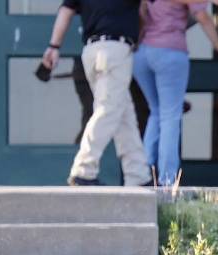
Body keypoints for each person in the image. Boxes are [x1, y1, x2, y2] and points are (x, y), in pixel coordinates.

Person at [42, 0, 151, 186]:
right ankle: (83, 170)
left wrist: (54, 46)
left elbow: (66, 11)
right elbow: (144, 11)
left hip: (91, 51)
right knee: (108, 110)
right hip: (116, 49)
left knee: (124, 115)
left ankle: (138, 175)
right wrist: (137, 36)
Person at [133, 0, 218, 187]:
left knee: (156, 112)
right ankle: (167, 179)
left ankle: (142, 173)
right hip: (169, 52)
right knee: (170, 115)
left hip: (141, 54)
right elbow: (203, 18)